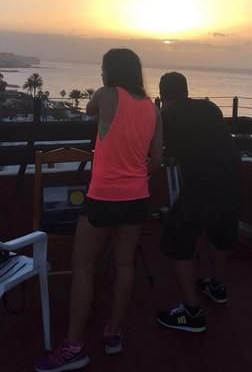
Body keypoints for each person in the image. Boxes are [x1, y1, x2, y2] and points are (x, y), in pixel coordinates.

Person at [35, 48, 162, 372]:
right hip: (137, 198)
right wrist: (134, 178)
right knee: (124, 265)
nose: (101, 72)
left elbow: (91, 108)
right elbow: (156, 160)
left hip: (104, 197)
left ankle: (74, 346)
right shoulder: (152, 108)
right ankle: (114, 332)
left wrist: (106, 85)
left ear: (111, 71)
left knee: (84, 268)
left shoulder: (106, 95)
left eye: (103, 68)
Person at [156, 72, 242, 332]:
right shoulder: (209, 106)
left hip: (202, 186)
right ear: (186, 90)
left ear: (163, 96)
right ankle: (217, 286)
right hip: (233, 180)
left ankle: (191, 313)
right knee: (219, 234)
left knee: (176, 241)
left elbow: (163, 155)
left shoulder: (166, 116)